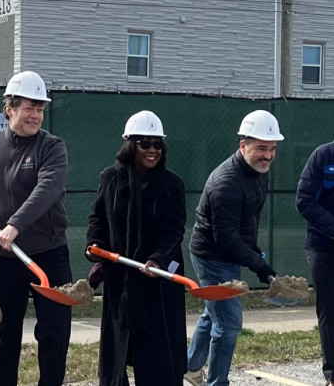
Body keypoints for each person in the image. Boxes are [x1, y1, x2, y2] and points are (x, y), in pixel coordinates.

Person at [0, 70, 72, 386]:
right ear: (9, 108)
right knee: (4, 331)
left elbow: (47, 189)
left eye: (40, 109)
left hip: (48, 254)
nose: (36, 115)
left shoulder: (52, 147)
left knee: (53, 330)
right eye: (29, 108)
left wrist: (15, 224)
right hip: (3, 258)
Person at [85, 110, 188, 386]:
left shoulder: (172, 185)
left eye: (157, 144)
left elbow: (173, 230)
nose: (152, 150)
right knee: (116, 358)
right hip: (121, 281)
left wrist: (157, 260)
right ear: (130, 145)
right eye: (144, 143)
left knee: (159, 358)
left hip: (159, 282)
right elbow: (98, 218)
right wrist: (94, 245)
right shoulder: (110, 179)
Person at [185, 109, 283, 386]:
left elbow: (247, 218)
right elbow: (225, 239)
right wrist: (260, 265)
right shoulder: (226, 183)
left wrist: (254, 249)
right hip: (212, 256)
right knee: (228, 324)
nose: (268, 155)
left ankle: (190, 366)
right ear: (243, 146)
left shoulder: (257, 171)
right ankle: (218, 382)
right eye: (262, 148)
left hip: (229, 249)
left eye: (272, 148)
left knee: (212, 312)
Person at [296, 140, 334, 386]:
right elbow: (304, 200)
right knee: (330, 309)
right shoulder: (324, 155)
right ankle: (332, 374)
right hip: (324, 247)